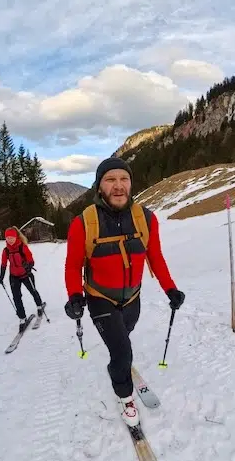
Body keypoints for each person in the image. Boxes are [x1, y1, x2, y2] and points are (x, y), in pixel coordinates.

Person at [63, 157, 185, 426]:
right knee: (121, 353)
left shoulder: (146, 219)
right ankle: (125, 396)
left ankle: (119, 360)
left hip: (132, 299)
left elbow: (156, 257)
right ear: (99, 186)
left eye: (124, 179)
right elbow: (73, 266)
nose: (118, 186)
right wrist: (74, 296)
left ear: (131, 183)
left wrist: (171, 289)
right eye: (110, 180)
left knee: (123, 339)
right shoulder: (83, 223)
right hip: (99, 299)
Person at [0, 226, 45, 329]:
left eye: (11, 237)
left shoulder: (22, 247)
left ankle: (39, 306)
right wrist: (1, 277)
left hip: (25, 274)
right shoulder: (6, 251)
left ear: (16, 237)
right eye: (7, 238)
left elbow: (31, 259)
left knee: (33, 291)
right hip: (14, 276)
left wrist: (29, 266)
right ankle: (22, 318)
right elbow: (3, 264)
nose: (10, 240)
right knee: (16, 297)